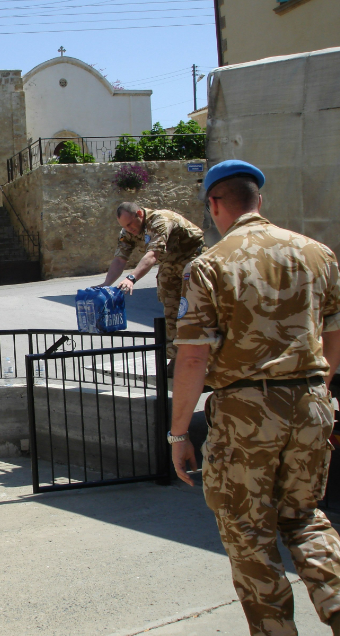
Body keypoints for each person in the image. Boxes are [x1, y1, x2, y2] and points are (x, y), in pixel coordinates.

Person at [170, 160, 340, 636]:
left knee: (249, 535)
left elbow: (191, 361)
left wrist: (178, 432)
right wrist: (318, 392)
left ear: (214, 205)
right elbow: (335, 335)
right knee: (304, 519)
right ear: (258, 201)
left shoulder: (209, 265)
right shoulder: (318, 254)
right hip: (311, 403)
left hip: (245, 413)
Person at [102, 203, 204, 374]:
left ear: (139, 214)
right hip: (170, 263)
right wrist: (106, 284)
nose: (129, 229)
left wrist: (132, 278)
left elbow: (152, 255)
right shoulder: (127, 231)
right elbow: (120, 259)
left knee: (195, 307)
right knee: (170, 308)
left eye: (130, 224)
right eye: (124, 226)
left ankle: (204, 358)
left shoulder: (159, 220)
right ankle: (176, 358)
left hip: (193, 259)